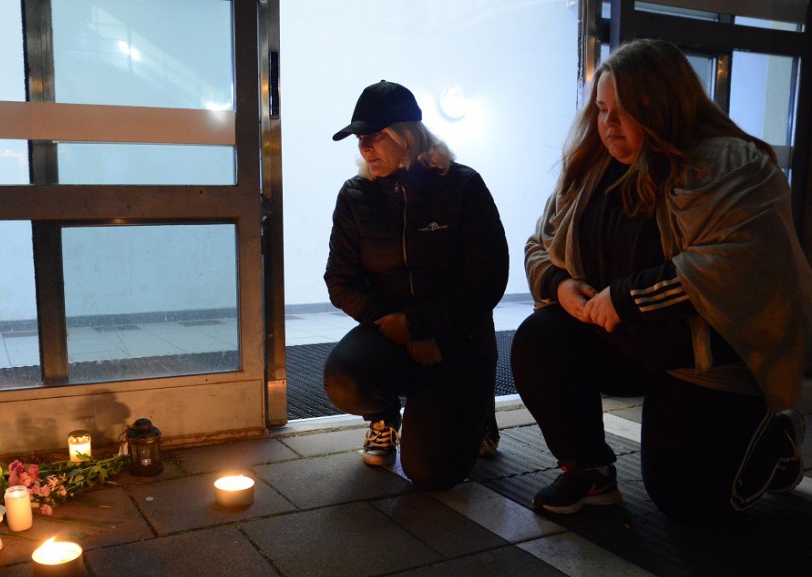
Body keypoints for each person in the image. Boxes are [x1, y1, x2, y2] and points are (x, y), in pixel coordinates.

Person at [511, 39, 812, 520]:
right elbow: (539, 244)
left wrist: (627, 298)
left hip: (704, 354)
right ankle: (590, 471)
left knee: (689, 503)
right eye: (602, 109)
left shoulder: (733, 165)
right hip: (622, 341)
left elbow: (742, 265)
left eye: (624, 112)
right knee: (541, 339)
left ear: (663, 106)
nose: (607, 126)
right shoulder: (590, 168)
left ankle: (774, 442)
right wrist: (558, 286)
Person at [323, 80, 509, 490]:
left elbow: (488, 279)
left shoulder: (462, 186)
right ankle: (386, 415)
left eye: (376, 137)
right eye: (359, 138)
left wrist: (421, 324)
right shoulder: (356, 195)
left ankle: (474, 410)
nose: (364, 148)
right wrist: (404, 329)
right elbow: (340, 280)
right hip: (393, 330)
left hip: (457, 334)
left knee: (431, 473)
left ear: (408, 137)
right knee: (345, 378)